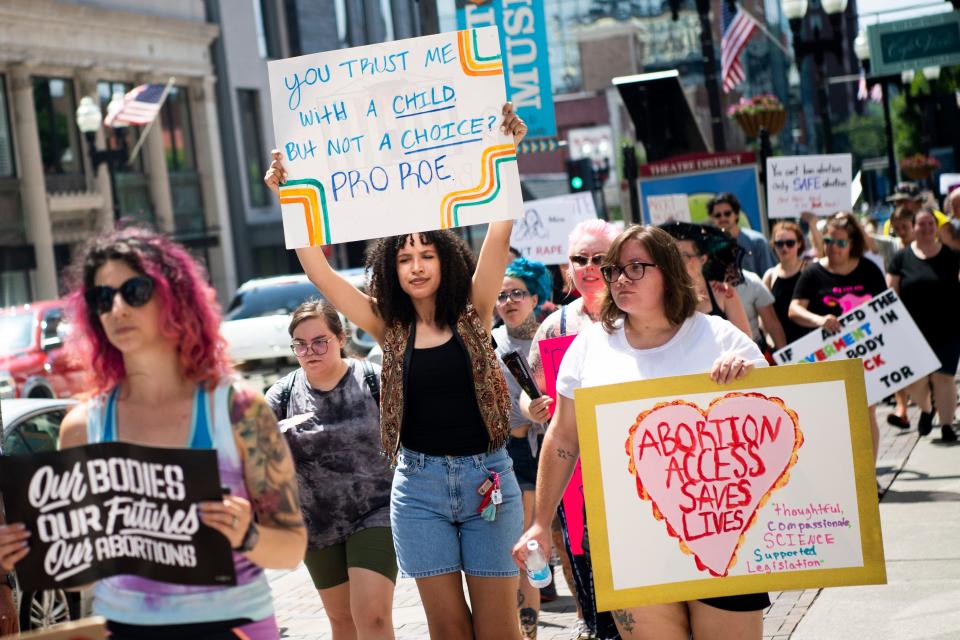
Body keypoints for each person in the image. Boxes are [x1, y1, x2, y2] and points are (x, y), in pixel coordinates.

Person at [265, 103, 528, 640]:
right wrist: (288, 198)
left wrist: (505, 152)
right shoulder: (387, 325)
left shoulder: (474, 309)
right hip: (419, 488)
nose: (416, 266)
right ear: (391, 266)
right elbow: (319, 271)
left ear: (444, 259)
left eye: (426, 254)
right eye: (404, 257)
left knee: (500, 628)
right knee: (448, 630)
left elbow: (499, 232)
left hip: (489, 480)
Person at [0, 226, 307, 638]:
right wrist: (25, 554)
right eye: (102, 299)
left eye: (135, 291)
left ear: (172, 295)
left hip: (235, 627)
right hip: (127, 628)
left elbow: (292, 547)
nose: (118, 308)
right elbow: (79, 578)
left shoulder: (238, 411)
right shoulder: (81, 427)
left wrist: (246, 534)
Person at [514, 224, 769, 640]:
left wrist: (750, 377)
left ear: (668, 272)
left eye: (636, 268)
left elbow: (779, 415)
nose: (618, 279)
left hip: (721, 531)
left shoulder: (719, 337)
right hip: (630, 537)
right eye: (616, 270)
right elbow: (562, 438)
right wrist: (541, 522)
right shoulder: (590, 346)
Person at [265, 300, 396, 640]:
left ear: (340, 338)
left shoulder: (371, 380)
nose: (310, 351)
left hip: (376, 510)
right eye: (301, 344)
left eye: (320, 340)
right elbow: (253, 447)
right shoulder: (281, 395)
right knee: (342, 622)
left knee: (372, 617)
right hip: (315, 519)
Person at [519, 218, 621, 640]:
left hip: (634, 466)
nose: (590, 267)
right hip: (577, 475)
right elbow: (530, 393)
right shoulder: (555, 326)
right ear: (567, 268)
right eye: (580, 259)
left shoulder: (640, 314)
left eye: (600, 258)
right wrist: (534, 408)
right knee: (589, 570)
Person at [789, 212, 887, 458]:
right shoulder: (813, 273)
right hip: (828, 357)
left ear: (852, 244)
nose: (833, 247)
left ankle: (868, 477)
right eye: (829, 241)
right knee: (835, 419)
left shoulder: (869, 270)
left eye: (840, 242)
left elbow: (885, 307)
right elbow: (794, 309)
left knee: (867, 412)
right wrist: (819, 320)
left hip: (864, 354)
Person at [491, 257, 553, 640]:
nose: (509, 301)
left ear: (535, 297)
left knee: (564, 540)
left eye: (517, 293)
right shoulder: (490, 342)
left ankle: (585, 620)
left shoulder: (552, 335)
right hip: (512, 453)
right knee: (525, 545)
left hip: (556, 447)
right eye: (501, 295)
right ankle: (527, 633)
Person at [887, 209, 960, 442]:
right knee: (913, 380)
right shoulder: (901, 258)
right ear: (913, 227)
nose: (927, 228)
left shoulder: (950, 255)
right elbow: (891, 292)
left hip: (947, 328)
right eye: (922, 224)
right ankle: (927, 410)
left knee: (944, 377)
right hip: (911, 330)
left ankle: (947, 425)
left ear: (936, 227)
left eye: (931, 224)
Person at [661, 222, 752, 339]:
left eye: (684, 256)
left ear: (702, 259)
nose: (678, 263)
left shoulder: (724, 293)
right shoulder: (666, 298)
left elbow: (745, 339)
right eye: (674, 257)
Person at [762, 221, 813, 345]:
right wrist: (770, 339)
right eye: (779, 244)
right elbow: (763, 315)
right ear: (773, 246)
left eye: (790, 243)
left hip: (812, 341)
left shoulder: (809, 269)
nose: (784, 248)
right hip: (782, 347)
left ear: (799, 243)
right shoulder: (770, 275)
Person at [706, 193, 776, 276]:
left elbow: (770, 275)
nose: (723, 218)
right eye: (718, 215)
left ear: (736, 214)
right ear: (712, 218)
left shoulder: (757, 241)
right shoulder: (709, 246)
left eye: (727, 213)